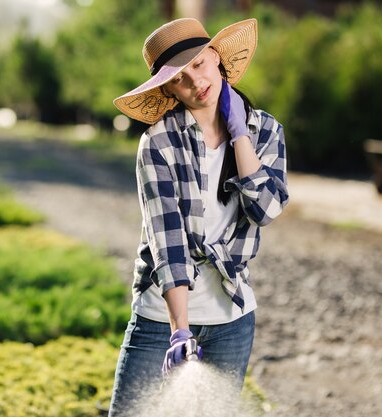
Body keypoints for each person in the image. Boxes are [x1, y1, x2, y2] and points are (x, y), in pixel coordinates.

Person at [108, 17, 289, 416]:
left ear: (217, 59)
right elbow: (167, 242)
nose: (194, 82)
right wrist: (180, 331)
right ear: (168, 89)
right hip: (162, 319)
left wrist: (240, 134)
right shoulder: (158, 143)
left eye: (199, 64)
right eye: (178, 78)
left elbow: (265, 210)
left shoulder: (265, 132)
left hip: (232, 319)